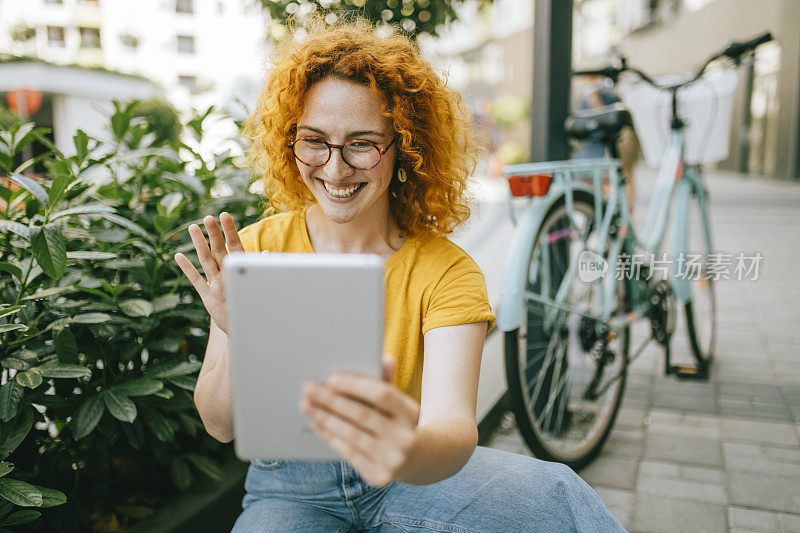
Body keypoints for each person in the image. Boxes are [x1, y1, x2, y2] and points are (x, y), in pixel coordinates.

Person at [174, 18, 625, 533]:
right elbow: (219, 424)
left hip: (415, 472)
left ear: (403, 148)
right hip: (290, 491)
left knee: (559, 497)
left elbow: (453, 426)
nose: (335, 169)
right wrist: (243, 333)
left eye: (362, 143)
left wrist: (403, 450)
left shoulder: (447, 271)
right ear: (289, 141)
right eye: (314, 141)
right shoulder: (255, 248)